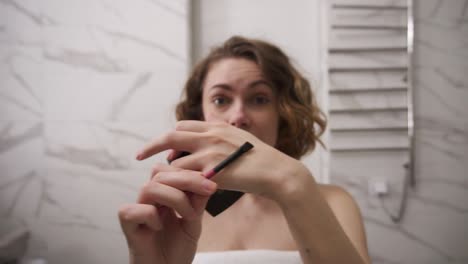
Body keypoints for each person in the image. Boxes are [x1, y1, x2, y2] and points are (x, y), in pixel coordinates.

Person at [118, 36, 371, 264]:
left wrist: (294, 181)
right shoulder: (171, 212)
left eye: (259, 99)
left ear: (284, 114)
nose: (238, 117)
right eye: (221, 100)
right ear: (199, 114)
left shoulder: (334, 203)